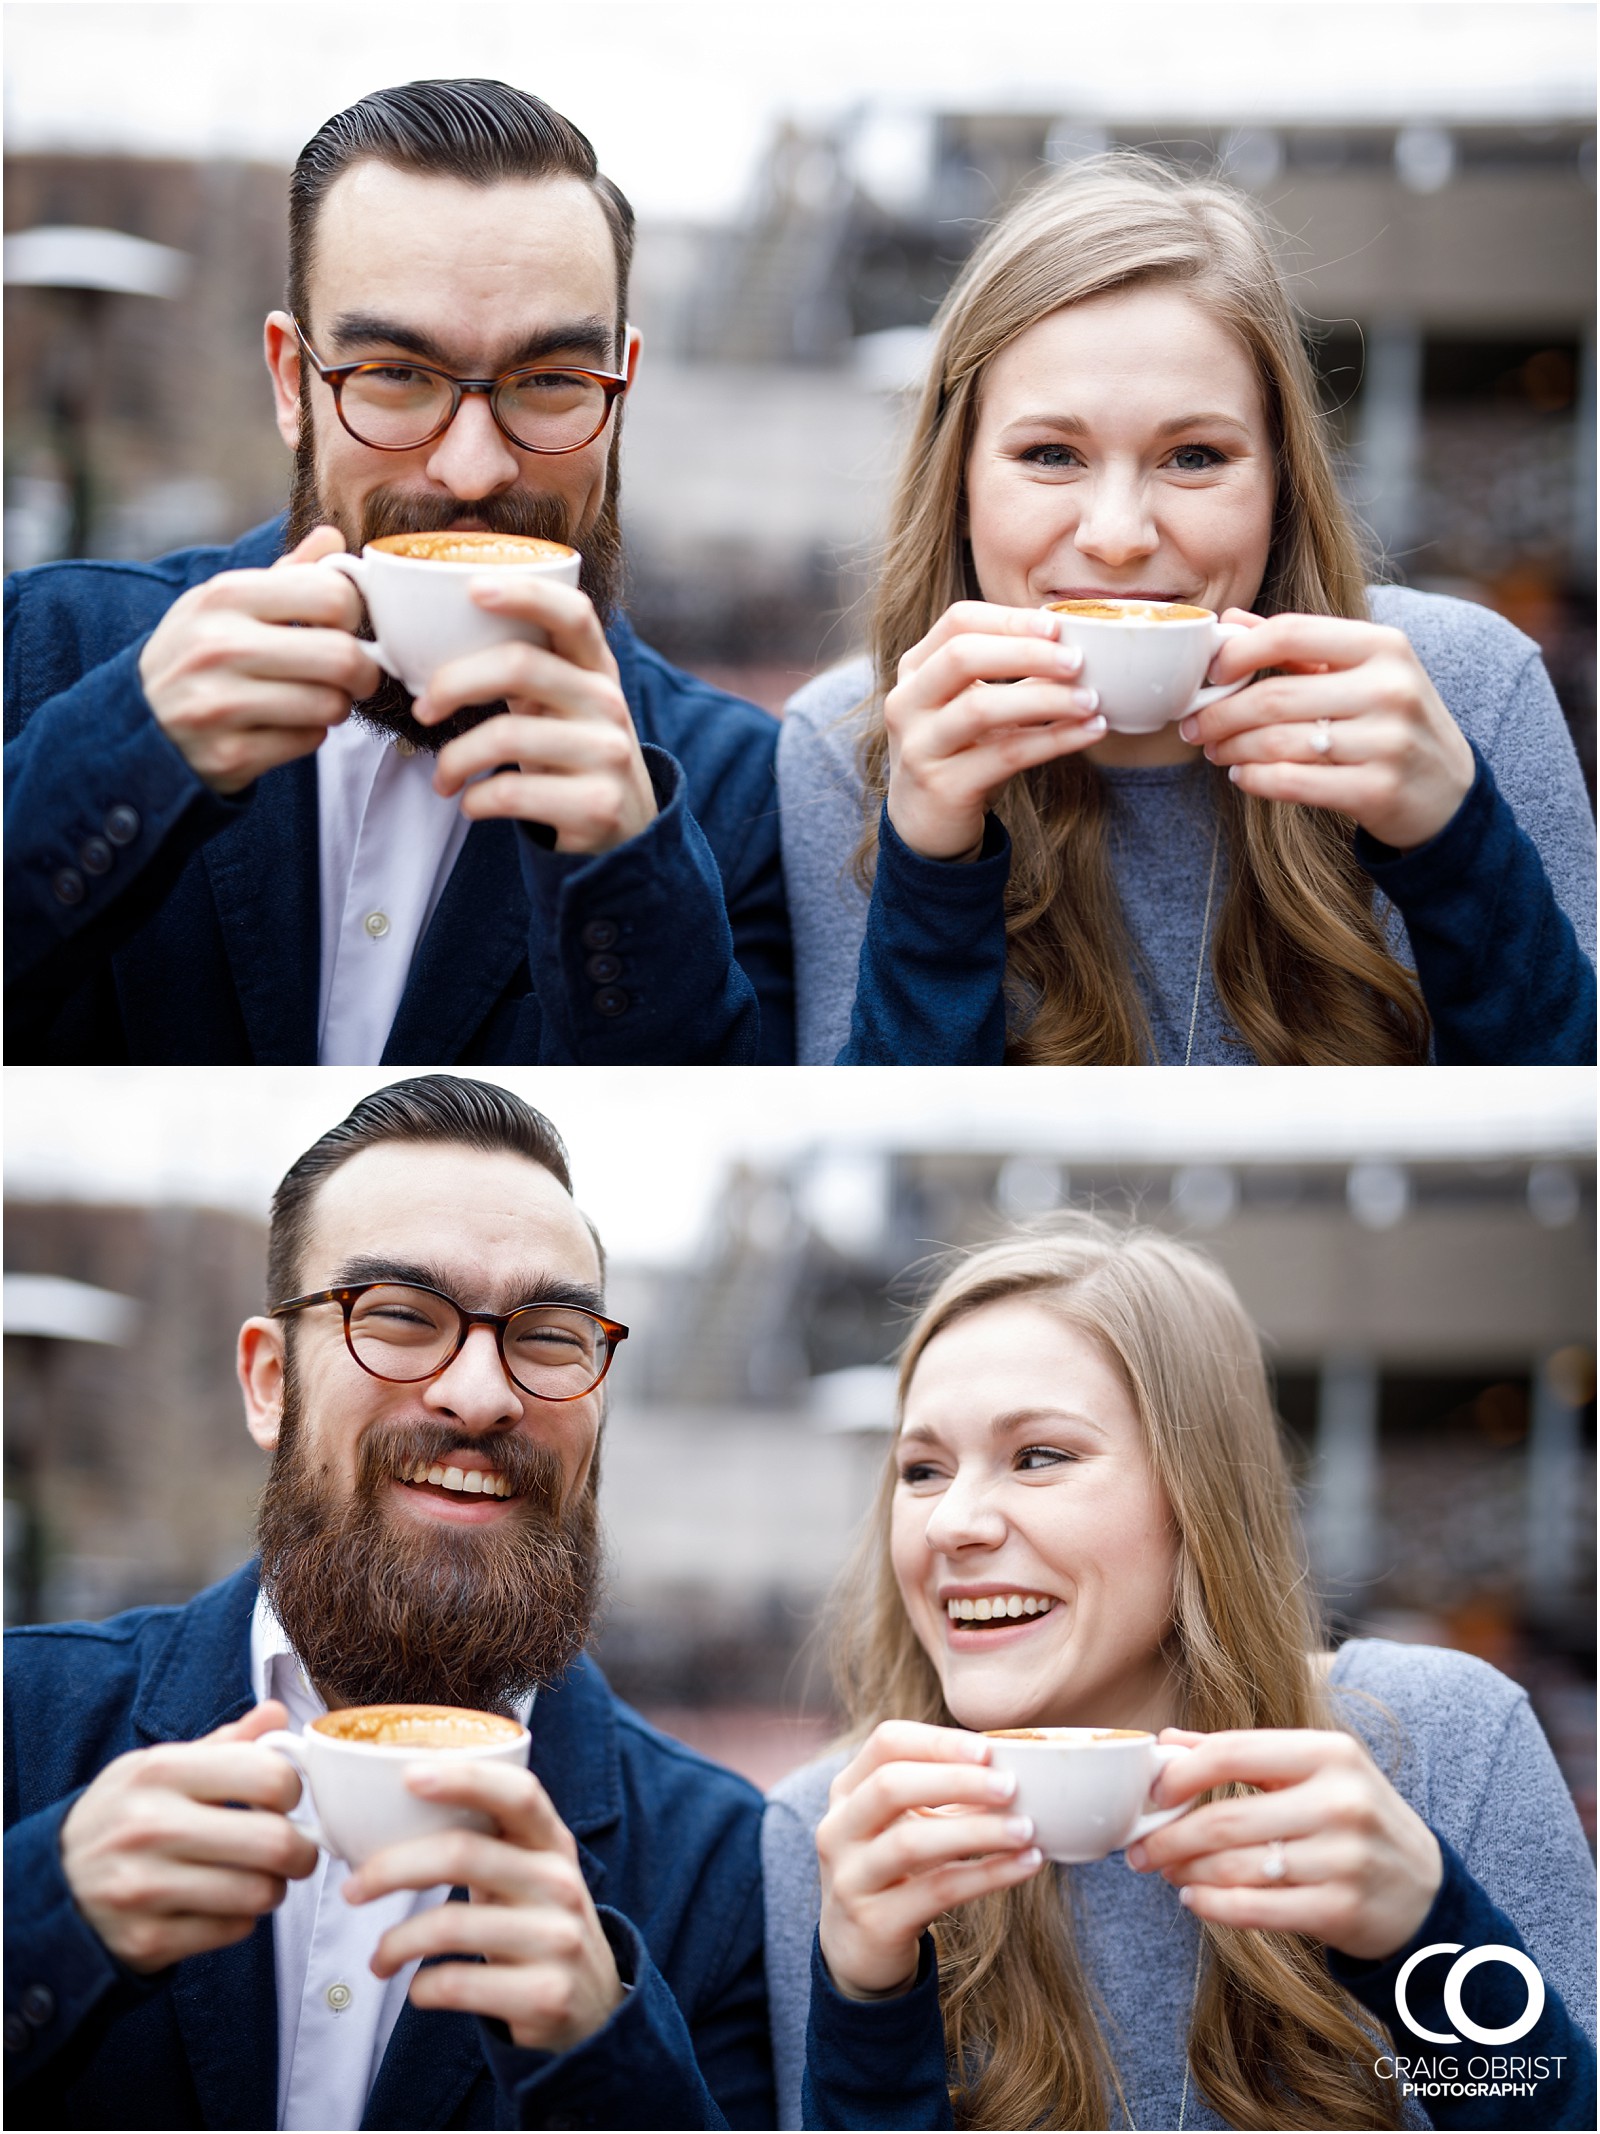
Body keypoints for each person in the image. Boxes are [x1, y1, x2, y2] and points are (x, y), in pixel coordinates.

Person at [4, 1075, 773, 2130]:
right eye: (401, 1316)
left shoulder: (726, 1865)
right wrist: (37, 1922)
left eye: (550, 1334)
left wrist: (607, 2063)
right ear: (269, 1382)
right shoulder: (21, 1723)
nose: (480, 1392)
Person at [5, 79, 792, 1066]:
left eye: (549, 381)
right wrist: (124, 761)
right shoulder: (42, 649)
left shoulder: (736, 792)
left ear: (620, 391)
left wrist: (631, 877)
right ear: (293, 383)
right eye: (396, 374)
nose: (473, 467)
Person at [762, 1217, 1597, 2130]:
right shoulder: (837, 1828)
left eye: (1040, 1455)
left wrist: (1432, 1939)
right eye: (921, 1469)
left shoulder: (1439, 1737)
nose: (950, 1522)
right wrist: (868, 2011)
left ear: (1196, 1494)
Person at [777, 155, 1595, 1065]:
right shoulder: (849, 741)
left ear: (1282, 481)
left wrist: (1457, 845)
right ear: (958, 478)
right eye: (1051, 454)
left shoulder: (1463, 687)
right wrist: (930, 868)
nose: (1119, 535)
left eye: (1195, 456)